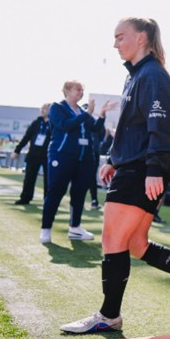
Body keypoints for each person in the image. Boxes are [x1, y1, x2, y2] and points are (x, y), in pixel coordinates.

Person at [61, 18, 170, 334]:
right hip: (131, 166)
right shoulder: (136, 77)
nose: (115, 43)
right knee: (135, 243)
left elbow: (160, 127)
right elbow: (133, 128)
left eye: (120, 36)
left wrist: (154, 170)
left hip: (142, 171)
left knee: (113, 240)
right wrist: (113, 160)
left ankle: (109, 314)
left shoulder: (154, 76)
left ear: (141, 38)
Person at [40, 81, 115, 243]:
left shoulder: (82, 111)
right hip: (62, 156)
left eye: (82, 90)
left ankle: (75, 228)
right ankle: (46, 229)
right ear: (67, 91)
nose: (81, 93)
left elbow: (95, 129)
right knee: (55, 191)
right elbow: (66, 126)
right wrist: (87, 113)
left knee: (79, 192)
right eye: (78, 90)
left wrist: (101, 114)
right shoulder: (57, 108)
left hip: (84, 158)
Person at [12, 103, 52, 206]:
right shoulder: (36, 123)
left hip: (48, 155)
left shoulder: (54, 124)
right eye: (42, 108)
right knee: (29, 178)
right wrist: (17, 150)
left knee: (48, 180)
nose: (43, 110)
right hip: (33, 154)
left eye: (45, 109)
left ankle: (47, 201)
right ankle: (25, 198)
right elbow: (27, 137)